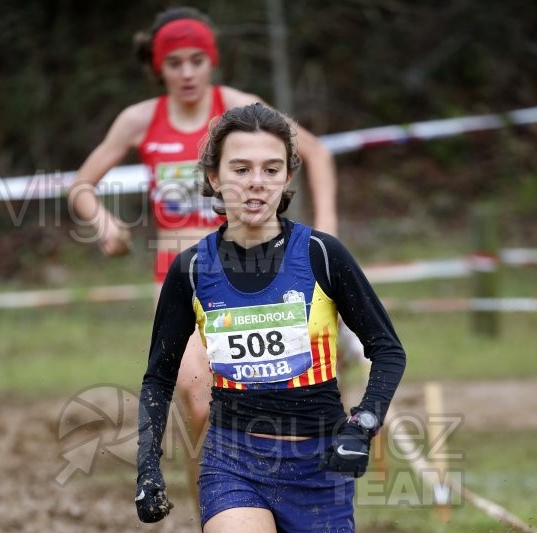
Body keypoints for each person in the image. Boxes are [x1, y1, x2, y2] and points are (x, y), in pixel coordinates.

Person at [134, 102, 406, 533]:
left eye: (270, 169)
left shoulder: (322, 257)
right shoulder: (192, 269)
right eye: (240, 169)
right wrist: (147, 467)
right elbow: (157, 375)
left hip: (318, 471)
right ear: (213, 177)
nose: (255, 183)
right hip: (235, 463)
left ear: (287, 180)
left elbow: (388, 350)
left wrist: (362, 427)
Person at [68, 7, 338, 502]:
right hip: (179, 277)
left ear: (211, 62)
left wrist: (325, 237)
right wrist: (105, 223)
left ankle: (262, 504)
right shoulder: (139, 120)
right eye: (175, 62)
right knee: (199, 404)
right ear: (158, 67)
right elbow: (82, 185)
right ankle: (215, 513)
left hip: (251, 272)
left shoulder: (236, 108)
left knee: (260, 398)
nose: (187, 72)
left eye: (197, 60)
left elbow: (315, 153)